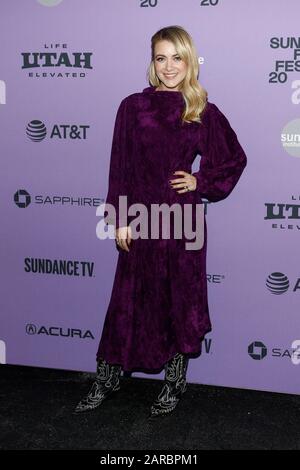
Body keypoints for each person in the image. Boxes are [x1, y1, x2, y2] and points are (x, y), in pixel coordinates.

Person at [74, 25, 247, 418]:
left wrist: (200, 181)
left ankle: (175, 379)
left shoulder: (201, 110)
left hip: (182, 223)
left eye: (177, 57)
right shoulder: (132, 107)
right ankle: (109, 377)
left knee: (178, 301)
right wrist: (118, 217)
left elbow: (234, 160)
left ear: (189, 61)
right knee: (127, 301)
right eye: (161, 58)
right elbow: (120, 165)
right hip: (139, 219)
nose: (169, 67)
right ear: (152, 62)